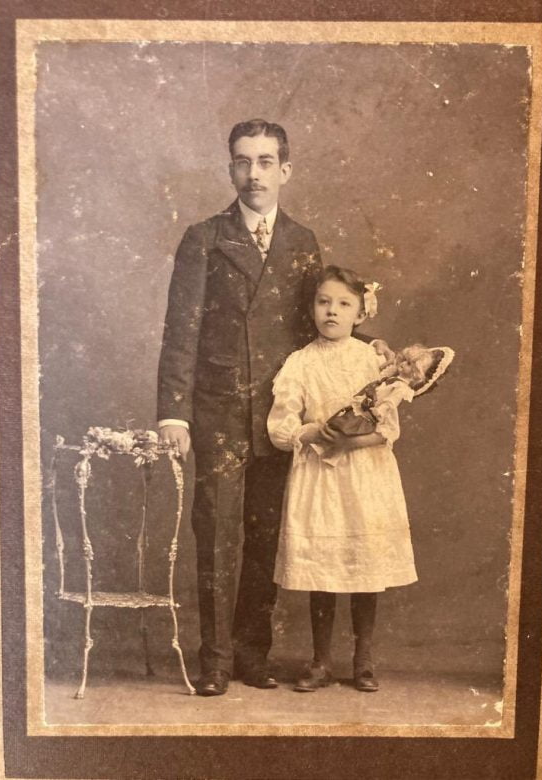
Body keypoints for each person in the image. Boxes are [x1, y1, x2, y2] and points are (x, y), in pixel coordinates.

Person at [157, 119, 394, 697]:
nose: (254, 174)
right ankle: (215, 661)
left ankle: (250, 655)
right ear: (230, 169)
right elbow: (181, 330)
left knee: (265, 536)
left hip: (280, 414)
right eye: (243, 162)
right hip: (217, 414)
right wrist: (174, 414)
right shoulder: (204, 237)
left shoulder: (301, 241)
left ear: (284, 170)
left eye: (265, 162)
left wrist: (372, 349)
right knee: (217, 535)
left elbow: (319, 325)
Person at [267, 266, 426, 693]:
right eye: (323, 302)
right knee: (324, 568)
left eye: (343, 304)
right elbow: (280, 428)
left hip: (364, 475)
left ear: (361, 312)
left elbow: (388, 430)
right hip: (319, 477)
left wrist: (350, 441)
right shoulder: (300, 362)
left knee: (363, 565)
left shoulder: (373, 360)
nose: (332, 312)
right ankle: (320, 661)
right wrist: (313, 432)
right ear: (312, 309)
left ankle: (363, 659)